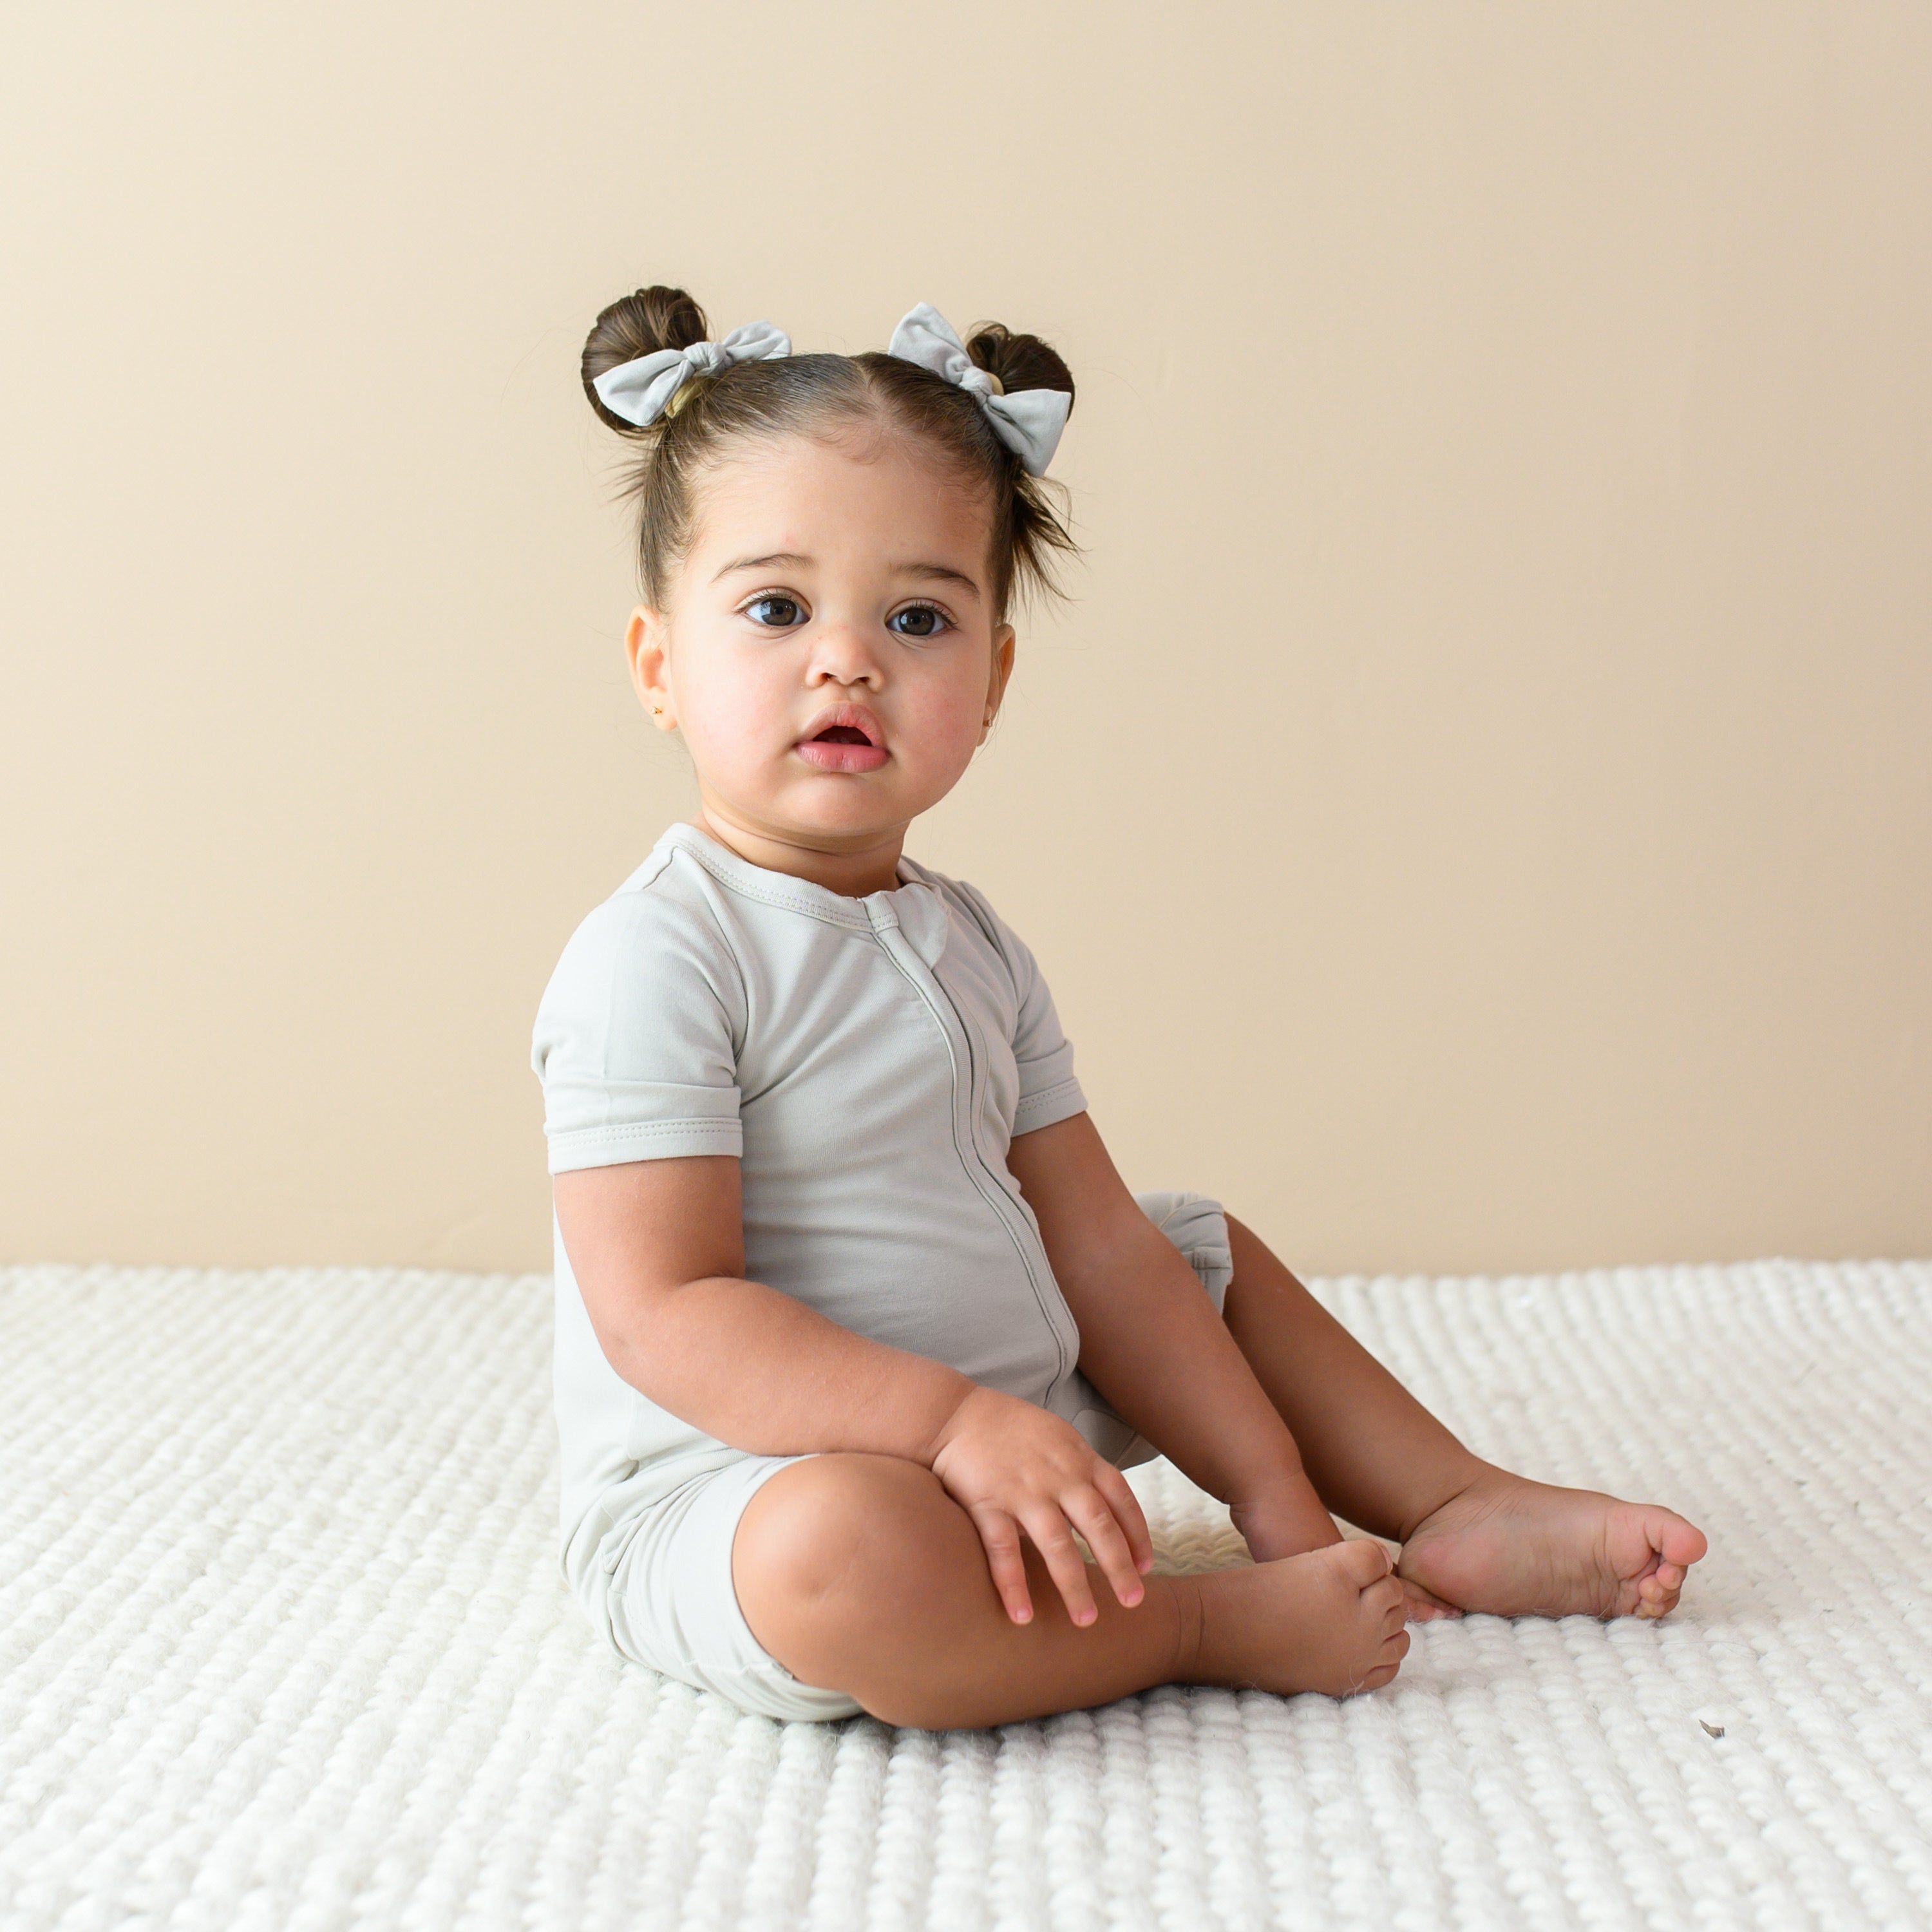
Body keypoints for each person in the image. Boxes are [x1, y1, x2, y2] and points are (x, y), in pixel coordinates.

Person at [530, 287, 1707, 1730]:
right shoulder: (659, 956)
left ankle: (1451, 1500)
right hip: (744, 1488)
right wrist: (947, 1426)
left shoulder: (973, 942)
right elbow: (668, 1312)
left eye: (918, 616)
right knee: (838, 1557)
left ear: (995, 677)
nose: (846, 660)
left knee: (1188, 1252)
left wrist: (1281, 1511)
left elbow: (1089, 1241)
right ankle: (1193, 1626)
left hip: (1004, 1422)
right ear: (660, 665)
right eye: (776, 608)